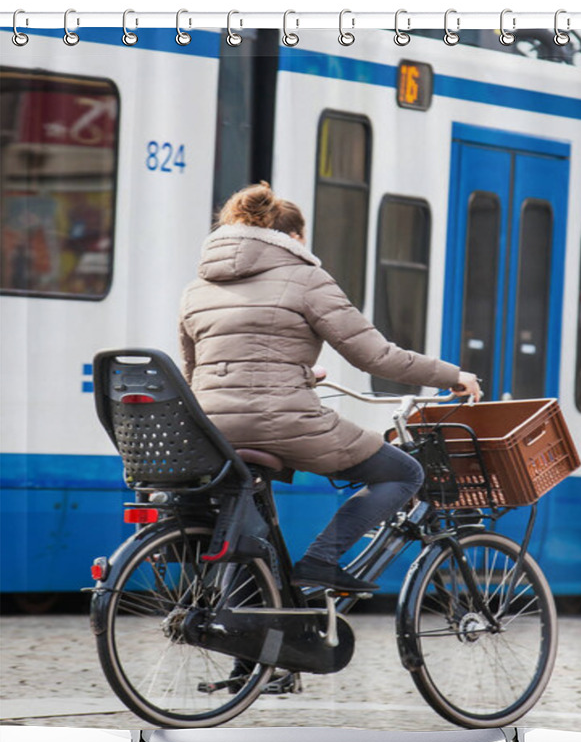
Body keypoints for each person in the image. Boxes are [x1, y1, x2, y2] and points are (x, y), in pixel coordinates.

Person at [179, 181, 481, 593]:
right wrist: (453, 375)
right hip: (282, 422)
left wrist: (298, 374)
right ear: (294, 238)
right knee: (404, 473)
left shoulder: (197, 290)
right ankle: (320, 562)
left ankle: (259, 620)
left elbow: (195, 371)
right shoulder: (306, 277)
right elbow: (375, 357)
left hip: (213, 431)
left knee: (258, 522)